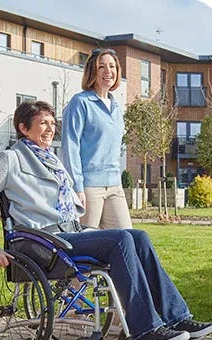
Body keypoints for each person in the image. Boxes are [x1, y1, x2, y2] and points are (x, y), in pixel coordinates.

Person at [0, 101, 212, 340]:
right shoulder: (11, 159)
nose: (50, 128)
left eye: (52, 123)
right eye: (43, 123)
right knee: (120, 240)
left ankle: (178, 318)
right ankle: (145, 331)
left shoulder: (50, 157)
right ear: (23, 128)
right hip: (43, 242)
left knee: (138, 236)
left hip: (69, 233)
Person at [61, 47, 132, 229]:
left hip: (115, 185)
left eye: (112, 66)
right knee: (88, 243)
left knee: (127, 237)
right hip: (89, 186)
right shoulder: (81, 102)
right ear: (93, 71)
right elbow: (70, 147)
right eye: (102, 67)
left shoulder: (116, 107)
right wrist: (77, 187)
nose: (108, 72)